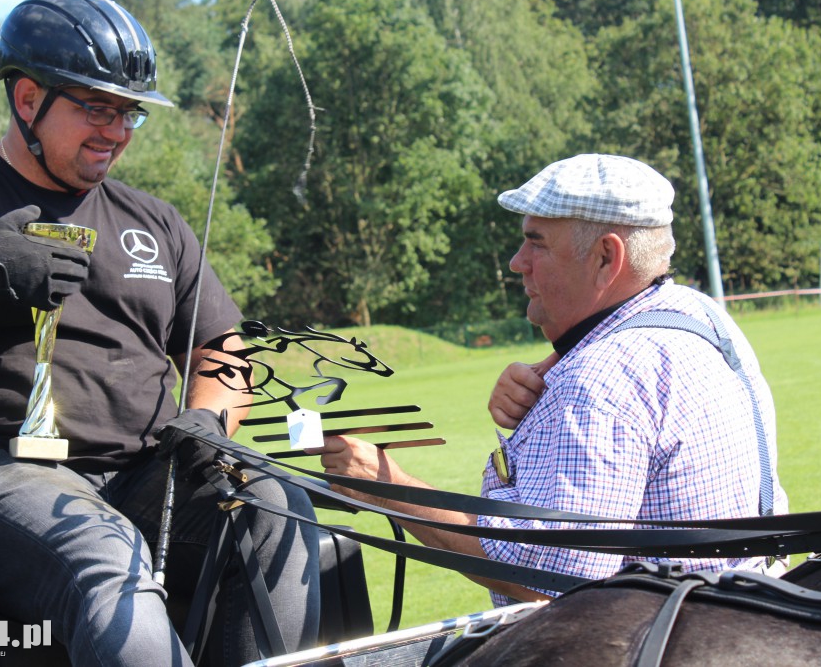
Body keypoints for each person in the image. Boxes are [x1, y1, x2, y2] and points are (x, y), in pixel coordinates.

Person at [0, 0, 318, 665]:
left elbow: (220, 345)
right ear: (26, 99)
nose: (117, 130)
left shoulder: (154, 223)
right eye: (95, 107)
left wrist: (211, 421)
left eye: (129, 112)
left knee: (276, 507)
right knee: (106, 558)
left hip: (140, 473)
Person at [314, 153, 788, 606]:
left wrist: (389, 486)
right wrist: (556, 364)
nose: (517, 262)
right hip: (756, 607)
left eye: (537, 242)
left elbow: (547, 579)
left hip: (673, 639)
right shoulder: (701, 313)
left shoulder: (601, 377)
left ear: (606, 257)